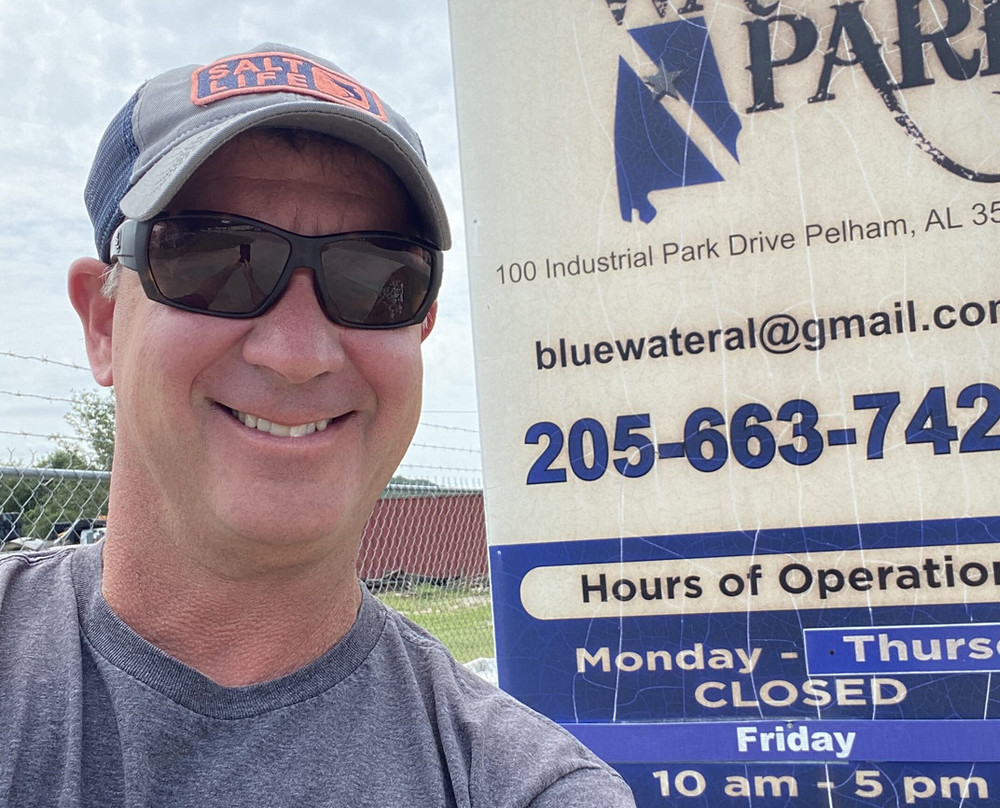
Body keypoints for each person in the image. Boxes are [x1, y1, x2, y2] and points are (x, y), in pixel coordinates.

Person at [0, 43, 636, 807]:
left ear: (421, 328)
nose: (297, 355)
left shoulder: (521, 786)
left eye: (375, 277)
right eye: (215, 260)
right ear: (103, 324)